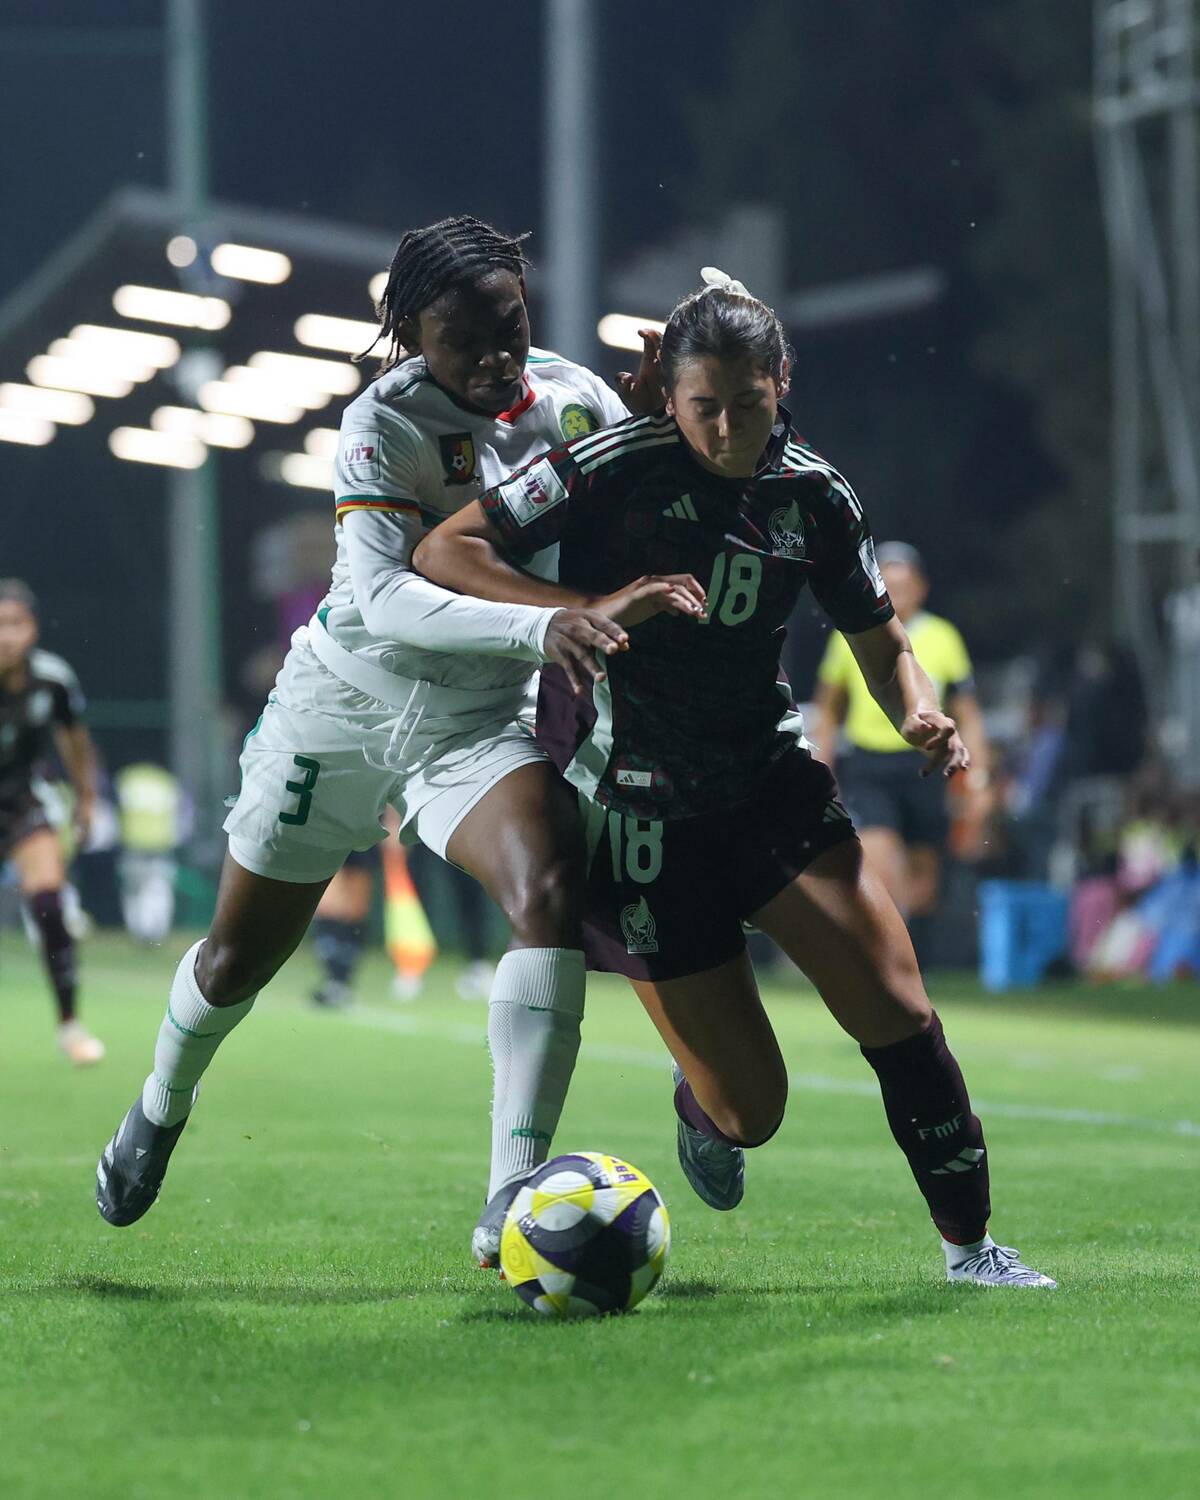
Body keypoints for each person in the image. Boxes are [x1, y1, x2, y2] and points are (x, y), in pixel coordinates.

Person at [414, 269, 1056, 1288]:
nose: (724, 430)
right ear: (669, 395)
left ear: (780, 384)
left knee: (897, 1006)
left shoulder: (817, 495)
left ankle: (973, 1251)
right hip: (638, 815)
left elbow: (882, 642)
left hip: (767, 787)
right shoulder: (612, 464)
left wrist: (917, 711)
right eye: (703, 405)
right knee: (751, 1111)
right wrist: (582, 608)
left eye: (747, 405)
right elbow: (448, 549)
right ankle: (701, 1109)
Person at [94, 216, 694, 1264]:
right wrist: (545, 624)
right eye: (467, 339)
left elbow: (656, 494)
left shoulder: (572, 399)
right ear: (412, 334)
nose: (497, 356)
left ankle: (510, 1196)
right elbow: (384, 598)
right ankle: (160, 1103)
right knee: (237, 960)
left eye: (511, 327)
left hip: (478, 719)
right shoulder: (382, 423)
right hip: (343, 706)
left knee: (549, 884)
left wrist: (650, 425)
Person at [811, 542, 992, 934]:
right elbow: (828, 708)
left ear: (921, 588)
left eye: (903, 586)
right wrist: (821, 766)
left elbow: (968, 713)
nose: (896, 595)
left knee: (924, 888)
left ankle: (917, 959)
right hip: (869, 766)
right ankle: (884, 954)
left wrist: (979, 778)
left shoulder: (943, 636)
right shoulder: (851, 634)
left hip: (925, 765)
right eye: (887, 586)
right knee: (881, 872)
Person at [0, 579, 104, 1065]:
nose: (6, 635)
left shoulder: (53, 679)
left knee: (48, 902)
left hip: (24, 801)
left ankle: (70, 1025)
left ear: (34, 629)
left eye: (15, 623)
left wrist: (87, 798)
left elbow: (75, 739)